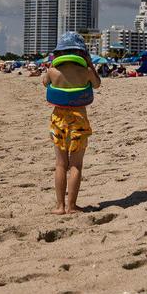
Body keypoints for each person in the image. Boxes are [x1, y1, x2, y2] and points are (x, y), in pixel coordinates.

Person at [41, 32, 100, 214]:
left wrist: (52, 64)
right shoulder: (86, 71)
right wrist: (90, 64)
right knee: (75, 165)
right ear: (82, 53)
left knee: (60, 164)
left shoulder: (52, 71)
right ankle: (72, 206)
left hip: (58, 120)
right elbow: (97, 84)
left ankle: (60, 206)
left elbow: (45, 83)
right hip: (79, 121)